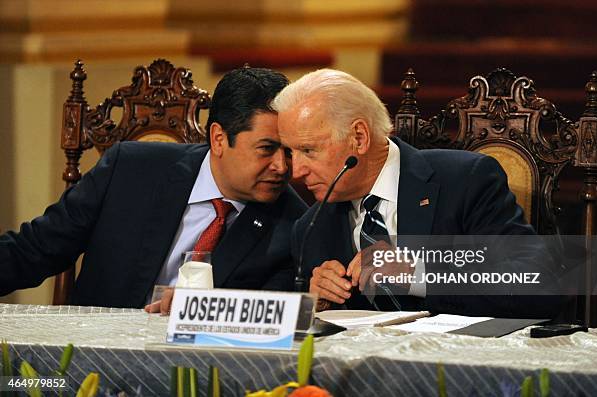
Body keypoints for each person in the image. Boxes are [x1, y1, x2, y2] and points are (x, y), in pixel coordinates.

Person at [0, 67, 307, 308]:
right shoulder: (129, 171)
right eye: (267, 149)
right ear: (218, 139)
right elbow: (35, 249)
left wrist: (202, 308)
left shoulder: (295, 224)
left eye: (289, 151)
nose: (282, 167)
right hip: (93, 364)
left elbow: (274, 315)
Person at [273, 68, 562, 318]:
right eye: (290, 152)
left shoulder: (465, 181)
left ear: (358, 138)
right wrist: (313, 304)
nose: (296, 171)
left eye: (308, 150)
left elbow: (540, 288)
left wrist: (416, 274)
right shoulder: (310, 228)